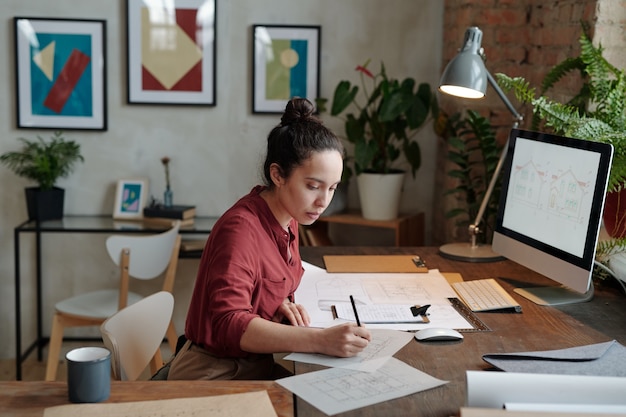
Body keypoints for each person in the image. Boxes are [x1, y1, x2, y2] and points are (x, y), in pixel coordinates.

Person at [167, 97, 371, 381]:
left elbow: (264, 281)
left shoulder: (290, 216)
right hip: (215, 372)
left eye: (332, 188)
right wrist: (321, 340)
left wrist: (273, 304)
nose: (323, 201)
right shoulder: (240, 230)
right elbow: (228, 323)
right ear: (278, 175)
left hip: (254, 363)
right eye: (313, 186)